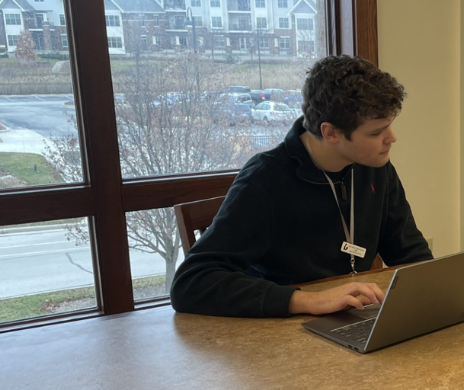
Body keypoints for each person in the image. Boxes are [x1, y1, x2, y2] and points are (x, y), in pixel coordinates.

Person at [170, 55, 433, 318]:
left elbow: (410, 252)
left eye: (389, 126)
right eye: (376, 133)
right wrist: (307, 300)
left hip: (354, 318)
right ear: (330, 133)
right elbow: (190, 283)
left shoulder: (375, 167)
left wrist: (441, 295)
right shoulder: (264, 180)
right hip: (283, 330)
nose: (392, 139)